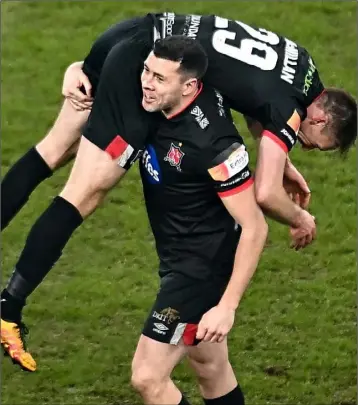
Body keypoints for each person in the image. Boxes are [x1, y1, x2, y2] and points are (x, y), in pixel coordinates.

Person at [1, 13, 356, 371]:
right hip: (149, 69)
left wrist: (281, 163)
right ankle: (8, 310)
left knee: (50, 152)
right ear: (321, 119)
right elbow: (264, 193)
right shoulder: (291, 110)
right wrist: (299, 218)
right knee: (84, 193)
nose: (305, 147)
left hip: (136, 34)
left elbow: (252, 93)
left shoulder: (304, 64)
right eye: (314, 144)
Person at [132, 35, 267, 405]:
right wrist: (75, 70)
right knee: (209, 364)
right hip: (179, 254)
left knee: (148, 377)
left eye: (160, 78)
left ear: (189, 85)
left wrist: (227, 307)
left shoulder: (213, 143)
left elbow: (255, 226)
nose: (146, 82)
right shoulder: (162, 99)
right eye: (147, 71)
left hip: (201, 268)